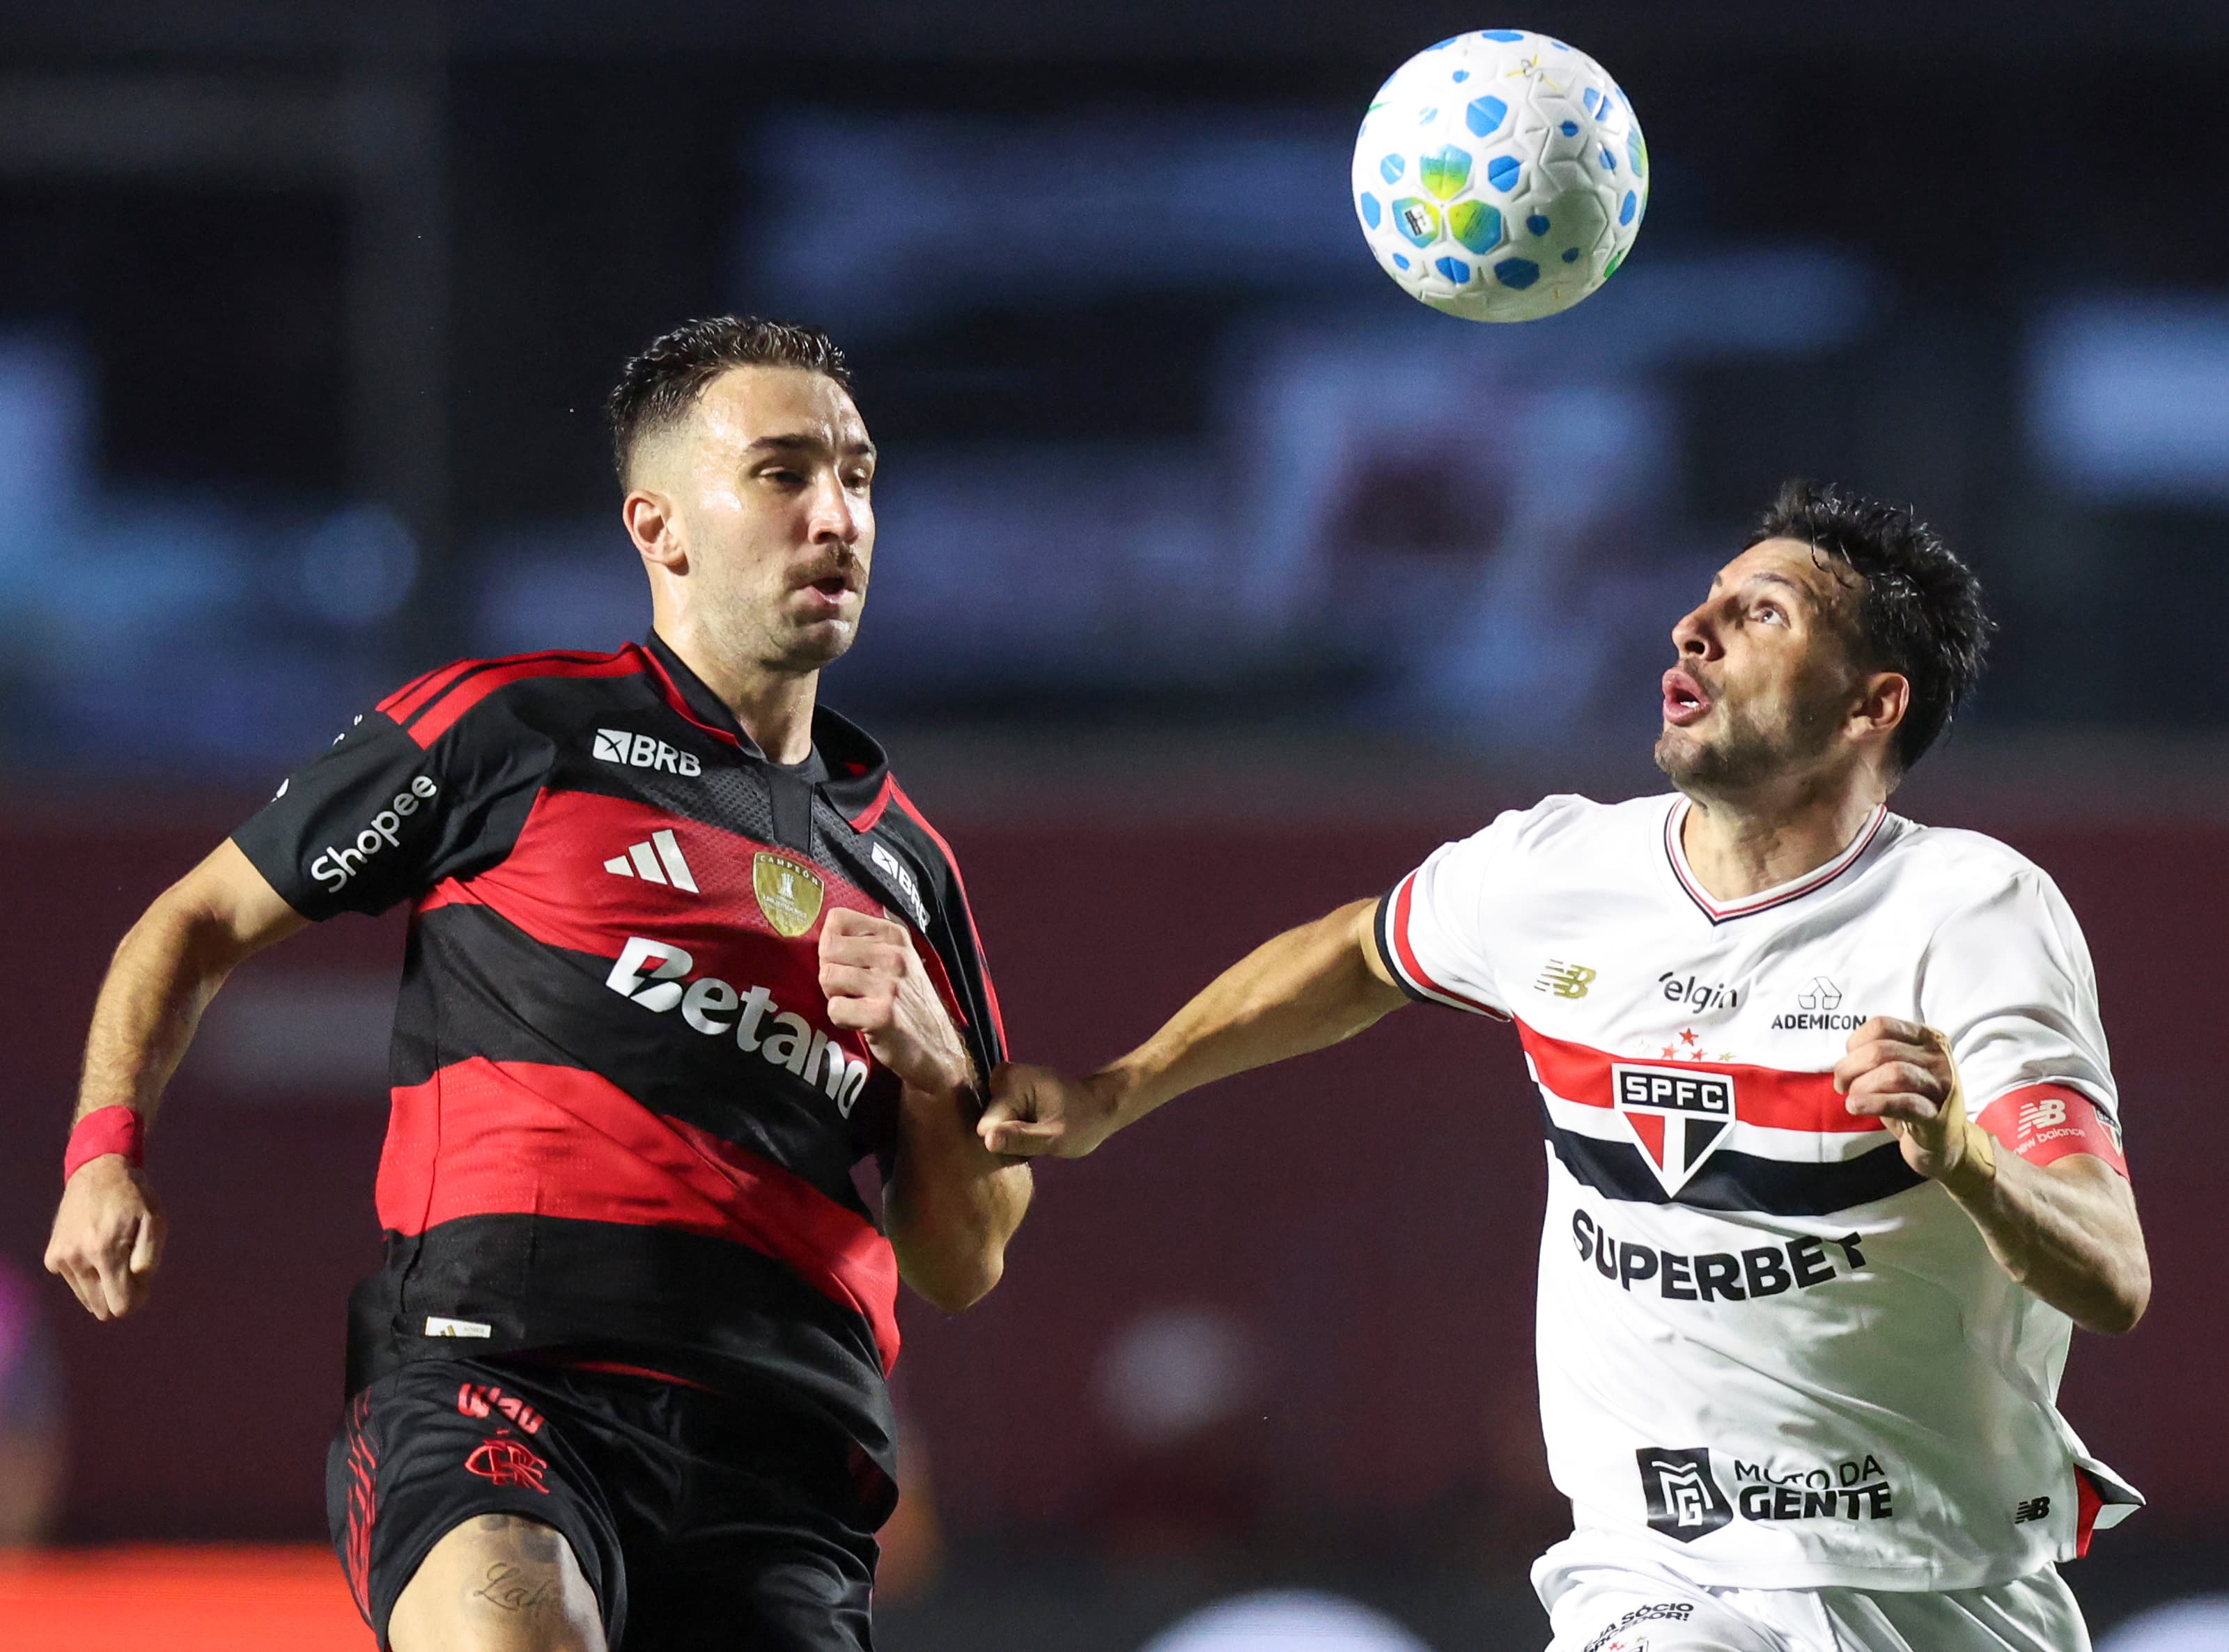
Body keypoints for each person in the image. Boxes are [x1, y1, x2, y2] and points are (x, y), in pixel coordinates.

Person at [980, 481, 2150, 1652]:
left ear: (1871, 703)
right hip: (1657, 1580)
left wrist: (1968, 1160)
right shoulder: (1556, 870)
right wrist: (1115, 1090)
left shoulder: (1973, 912)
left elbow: (2111, 1274)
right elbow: (1357, 952)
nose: (1695, 632)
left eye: (1764, 615)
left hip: (1946, 1588)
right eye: (1705, 605)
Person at [42, 316, 1032, 1652]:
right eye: (784, 474)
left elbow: (964, 1262)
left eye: (857, 476)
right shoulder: (513, 731)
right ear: (660, 527)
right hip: (495, 1381)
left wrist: (936, 1070)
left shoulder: (908, 864)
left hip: (783, 1470)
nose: (838, 516)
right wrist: (106, 1149)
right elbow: (197, 919)